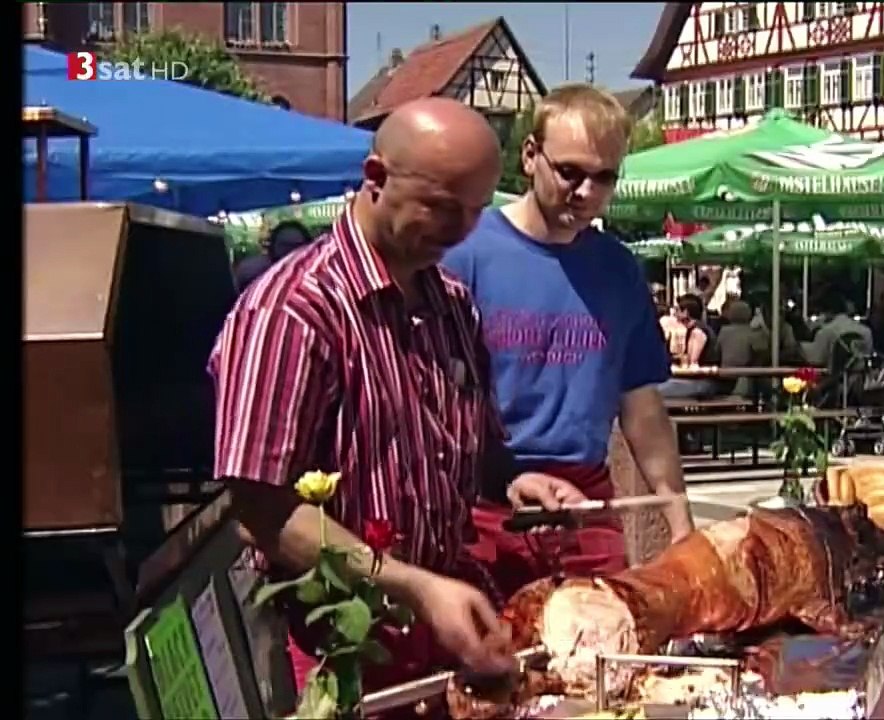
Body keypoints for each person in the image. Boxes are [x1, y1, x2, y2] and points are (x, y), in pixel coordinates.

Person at [208, 99, 588, 711]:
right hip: (328, 644)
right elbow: (259, 504)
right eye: (441, 206)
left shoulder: (452, 301)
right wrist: (412, 585)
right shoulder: (292, 310)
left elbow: (468, 452)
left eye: (476, 210)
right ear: (375, 177)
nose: (461, 230)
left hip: (433, 628)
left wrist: (516, 482)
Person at [442, 84, 692, 599]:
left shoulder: (618, 269)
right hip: (483, 504)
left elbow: (643, 409)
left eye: (604, 177)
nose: (586, 192)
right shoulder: (465, 254)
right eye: (570, 172)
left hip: (586, 506)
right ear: (530, 156)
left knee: (605, 639)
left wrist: (679, 519)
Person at [657, 293, 718, 399]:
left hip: (702, 383)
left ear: (686, 312)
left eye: (677, 310)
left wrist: (673, 368)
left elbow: (692, 366)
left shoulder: (698, 332)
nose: (674, 313)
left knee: (653, 391)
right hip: (694, 380)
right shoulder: (692, 330)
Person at [232, 220, 313, 292]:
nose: (290, 252)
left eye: (297, 246)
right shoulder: (253, 272)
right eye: (285, 246)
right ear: (272, 248)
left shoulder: (313, 277)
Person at [802, 297, 874, 367]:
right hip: (860, 373)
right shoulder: (866, 331)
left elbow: (816, 360)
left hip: (835, 373)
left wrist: (799, 346)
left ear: (828, 312)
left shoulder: (826, 331)